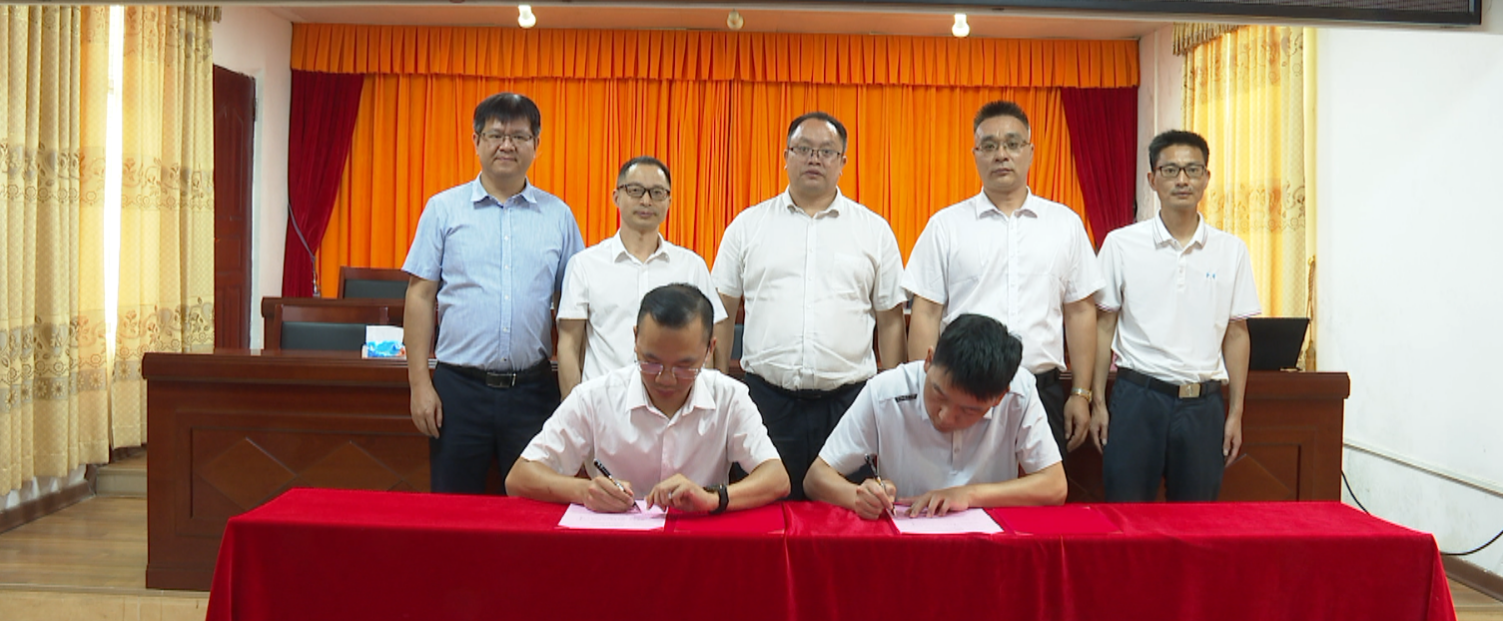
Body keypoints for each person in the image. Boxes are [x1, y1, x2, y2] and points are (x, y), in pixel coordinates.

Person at [711, 111, 907, 500]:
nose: (814, 159)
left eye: (826, 151)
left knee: (848, 516)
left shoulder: (873, 230)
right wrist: (718, 385)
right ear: (785, 156)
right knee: (764, 514)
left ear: (843, 161)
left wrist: (892, 396)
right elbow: (722, 311)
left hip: (849, 405)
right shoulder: (748, 226)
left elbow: (890, 320)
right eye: (803, 149)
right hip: (766, 403)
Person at [402, 92, 585, 494]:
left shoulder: (558, 216)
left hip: (533, 392)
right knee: (454, 509)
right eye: (496, 135)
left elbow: (575, 305)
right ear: (476, 140)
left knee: (533, 508)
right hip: (458, 391)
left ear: (536, 144)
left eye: (519, 136)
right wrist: (420, 384)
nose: (507, 145)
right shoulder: (443, 209)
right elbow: (420, 296)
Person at [903, 100, 1102, 465]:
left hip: (1041, 389)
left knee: (1041, 494)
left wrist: (1081, 393)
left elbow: (1080, 312)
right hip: (964, 390)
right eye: (990, 145)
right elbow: (927, 313)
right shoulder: (946, 226)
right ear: (975, 155)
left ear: (1030, 152)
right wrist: (926, 394)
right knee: (962, 490)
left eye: (1012, 144)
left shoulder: (1065, 224)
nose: (1001, 155)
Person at [507, 284, 790, 513]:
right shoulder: (595, 398)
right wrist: (583, 491)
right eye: (651, 362)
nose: (666, 379)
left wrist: (714, 497)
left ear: (709, 349)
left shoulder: (730, 398)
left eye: (684, 367)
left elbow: (776, 478)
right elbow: (519, 477)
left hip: (698, 545)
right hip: (617, 545)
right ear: (635, 339)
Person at [1090, 130, 1261, 502]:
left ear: (1206, 178)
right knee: (1126, 516)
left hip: (1203, 405)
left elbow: (1237, 334)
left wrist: (1236, 413)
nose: (1182, 179)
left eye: (1192, 169)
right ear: (1152, 179)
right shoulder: (1121, 244)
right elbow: (1103, 326)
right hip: (1138, 400)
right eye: (1170, 170)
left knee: (1196, 522)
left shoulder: (1231, 250)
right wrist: (1097, 402)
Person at [805, 314, 1066, 519]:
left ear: (999, 397)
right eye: (939, 394)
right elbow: (816, 478)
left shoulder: (1019, 393)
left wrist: (968, 495)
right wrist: (857, 496)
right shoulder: (886, 392)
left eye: (969, 410)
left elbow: (1055, 486)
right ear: (929, 360)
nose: (946, 417)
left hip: (988, 547)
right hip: (906, 544)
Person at [555, 156, 728, 399]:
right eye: (635, 190)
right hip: (604, 405)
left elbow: (708, 343)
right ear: (616, 196)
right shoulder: (585, 265)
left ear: (669, 201)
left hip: (674, 405)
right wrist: (575, 409)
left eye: (657, 193)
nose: (646, 201)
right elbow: (569, 346)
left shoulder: (692, 266)